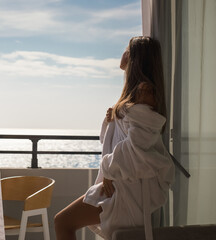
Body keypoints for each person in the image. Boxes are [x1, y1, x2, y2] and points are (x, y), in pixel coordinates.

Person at [54, 36, 175, 240]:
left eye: (128, 48)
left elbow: (138, 145)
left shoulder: (144, 91)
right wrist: (112, 120)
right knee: (64, 222)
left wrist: (109, 170)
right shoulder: (136, 94)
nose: (123, 52)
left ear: (135, 58)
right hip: (122, 186)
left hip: (126, 190)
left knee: (63, 222)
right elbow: (122, 137)